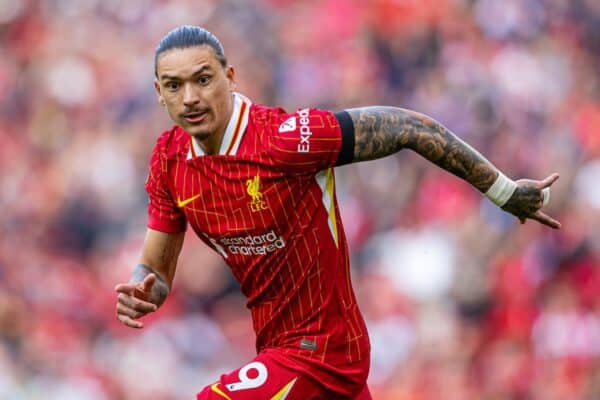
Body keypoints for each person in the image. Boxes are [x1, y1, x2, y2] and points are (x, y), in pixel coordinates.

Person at [114, 25, 560, 400]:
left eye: (203, 79)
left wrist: (503, 191)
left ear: (230, 77)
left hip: (325, 349)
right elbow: (157, 268)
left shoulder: (285, 140)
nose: (190, 97)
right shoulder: (169, 161)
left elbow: (407, 127)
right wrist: (143, 288)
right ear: (159, 93)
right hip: (279, 351)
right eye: (174, 85)